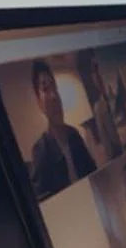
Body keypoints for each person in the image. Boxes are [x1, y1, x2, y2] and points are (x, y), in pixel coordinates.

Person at [27, 58, 98, 198]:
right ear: (38, 101)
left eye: (54, 87)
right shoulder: (41, 150)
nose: (54, 96)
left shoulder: (74, 135)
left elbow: (93, 174)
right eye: (46, 89)